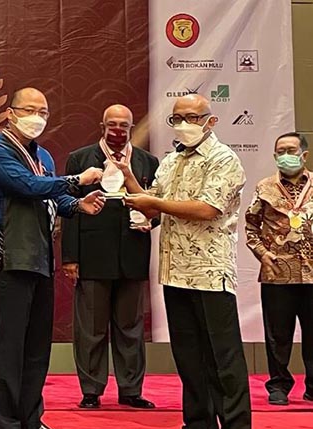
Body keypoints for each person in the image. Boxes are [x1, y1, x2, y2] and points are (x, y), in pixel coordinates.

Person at [122, 94, 251, 428]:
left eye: (191, 118)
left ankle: (236, 423)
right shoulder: (171, 161)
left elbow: (208, 209)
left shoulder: (224, 159)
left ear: (210, 121)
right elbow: (152, 204)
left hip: (210, 272)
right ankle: (198, 422)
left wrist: (154, 204)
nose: (183, 124)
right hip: (174, 272)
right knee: (188, 356)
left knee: (223, 356)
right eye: (177, 118)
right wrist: (128, 177)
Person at [0, 87, 105, 429]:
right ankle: (4, 423)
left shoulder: (45, 156)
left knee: (36, 349)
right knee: (8, 348)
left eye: (43, 112)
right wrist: (76, 180)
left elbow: (51, 198)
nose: (37, 118)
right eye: (29, 110)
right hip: (8, 258)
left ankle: (31, 419)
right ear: (11, 114)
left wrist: (78, 204)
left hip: (39, 258)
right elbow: (27, 186)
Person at [61, 105, 158, 409]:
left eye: (124, 125)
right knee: (91, 328)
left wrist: (150, 222)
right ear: (102, 126)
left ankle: (131, 390)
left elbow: (157, 208)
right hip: (92, 254)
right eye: (112, 125)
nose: (118, 130)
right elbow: (69, 208)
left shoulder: (147, 161)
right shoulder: (80, 159)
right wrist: (70, 256)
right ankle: (91, 390)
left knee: (131, 328)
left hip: (133, 253)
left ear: (131, 128)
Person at [245, 132, 313, 406]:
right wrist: (262, 254)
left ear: (303, 155)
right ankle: (279, 385)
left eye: (290, 150)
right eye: (280, 151)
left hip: (312, 272)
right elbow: (251, 228)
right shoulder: (264, 187)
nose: (285, 155)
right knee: (277, 335)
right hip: (277, 272)